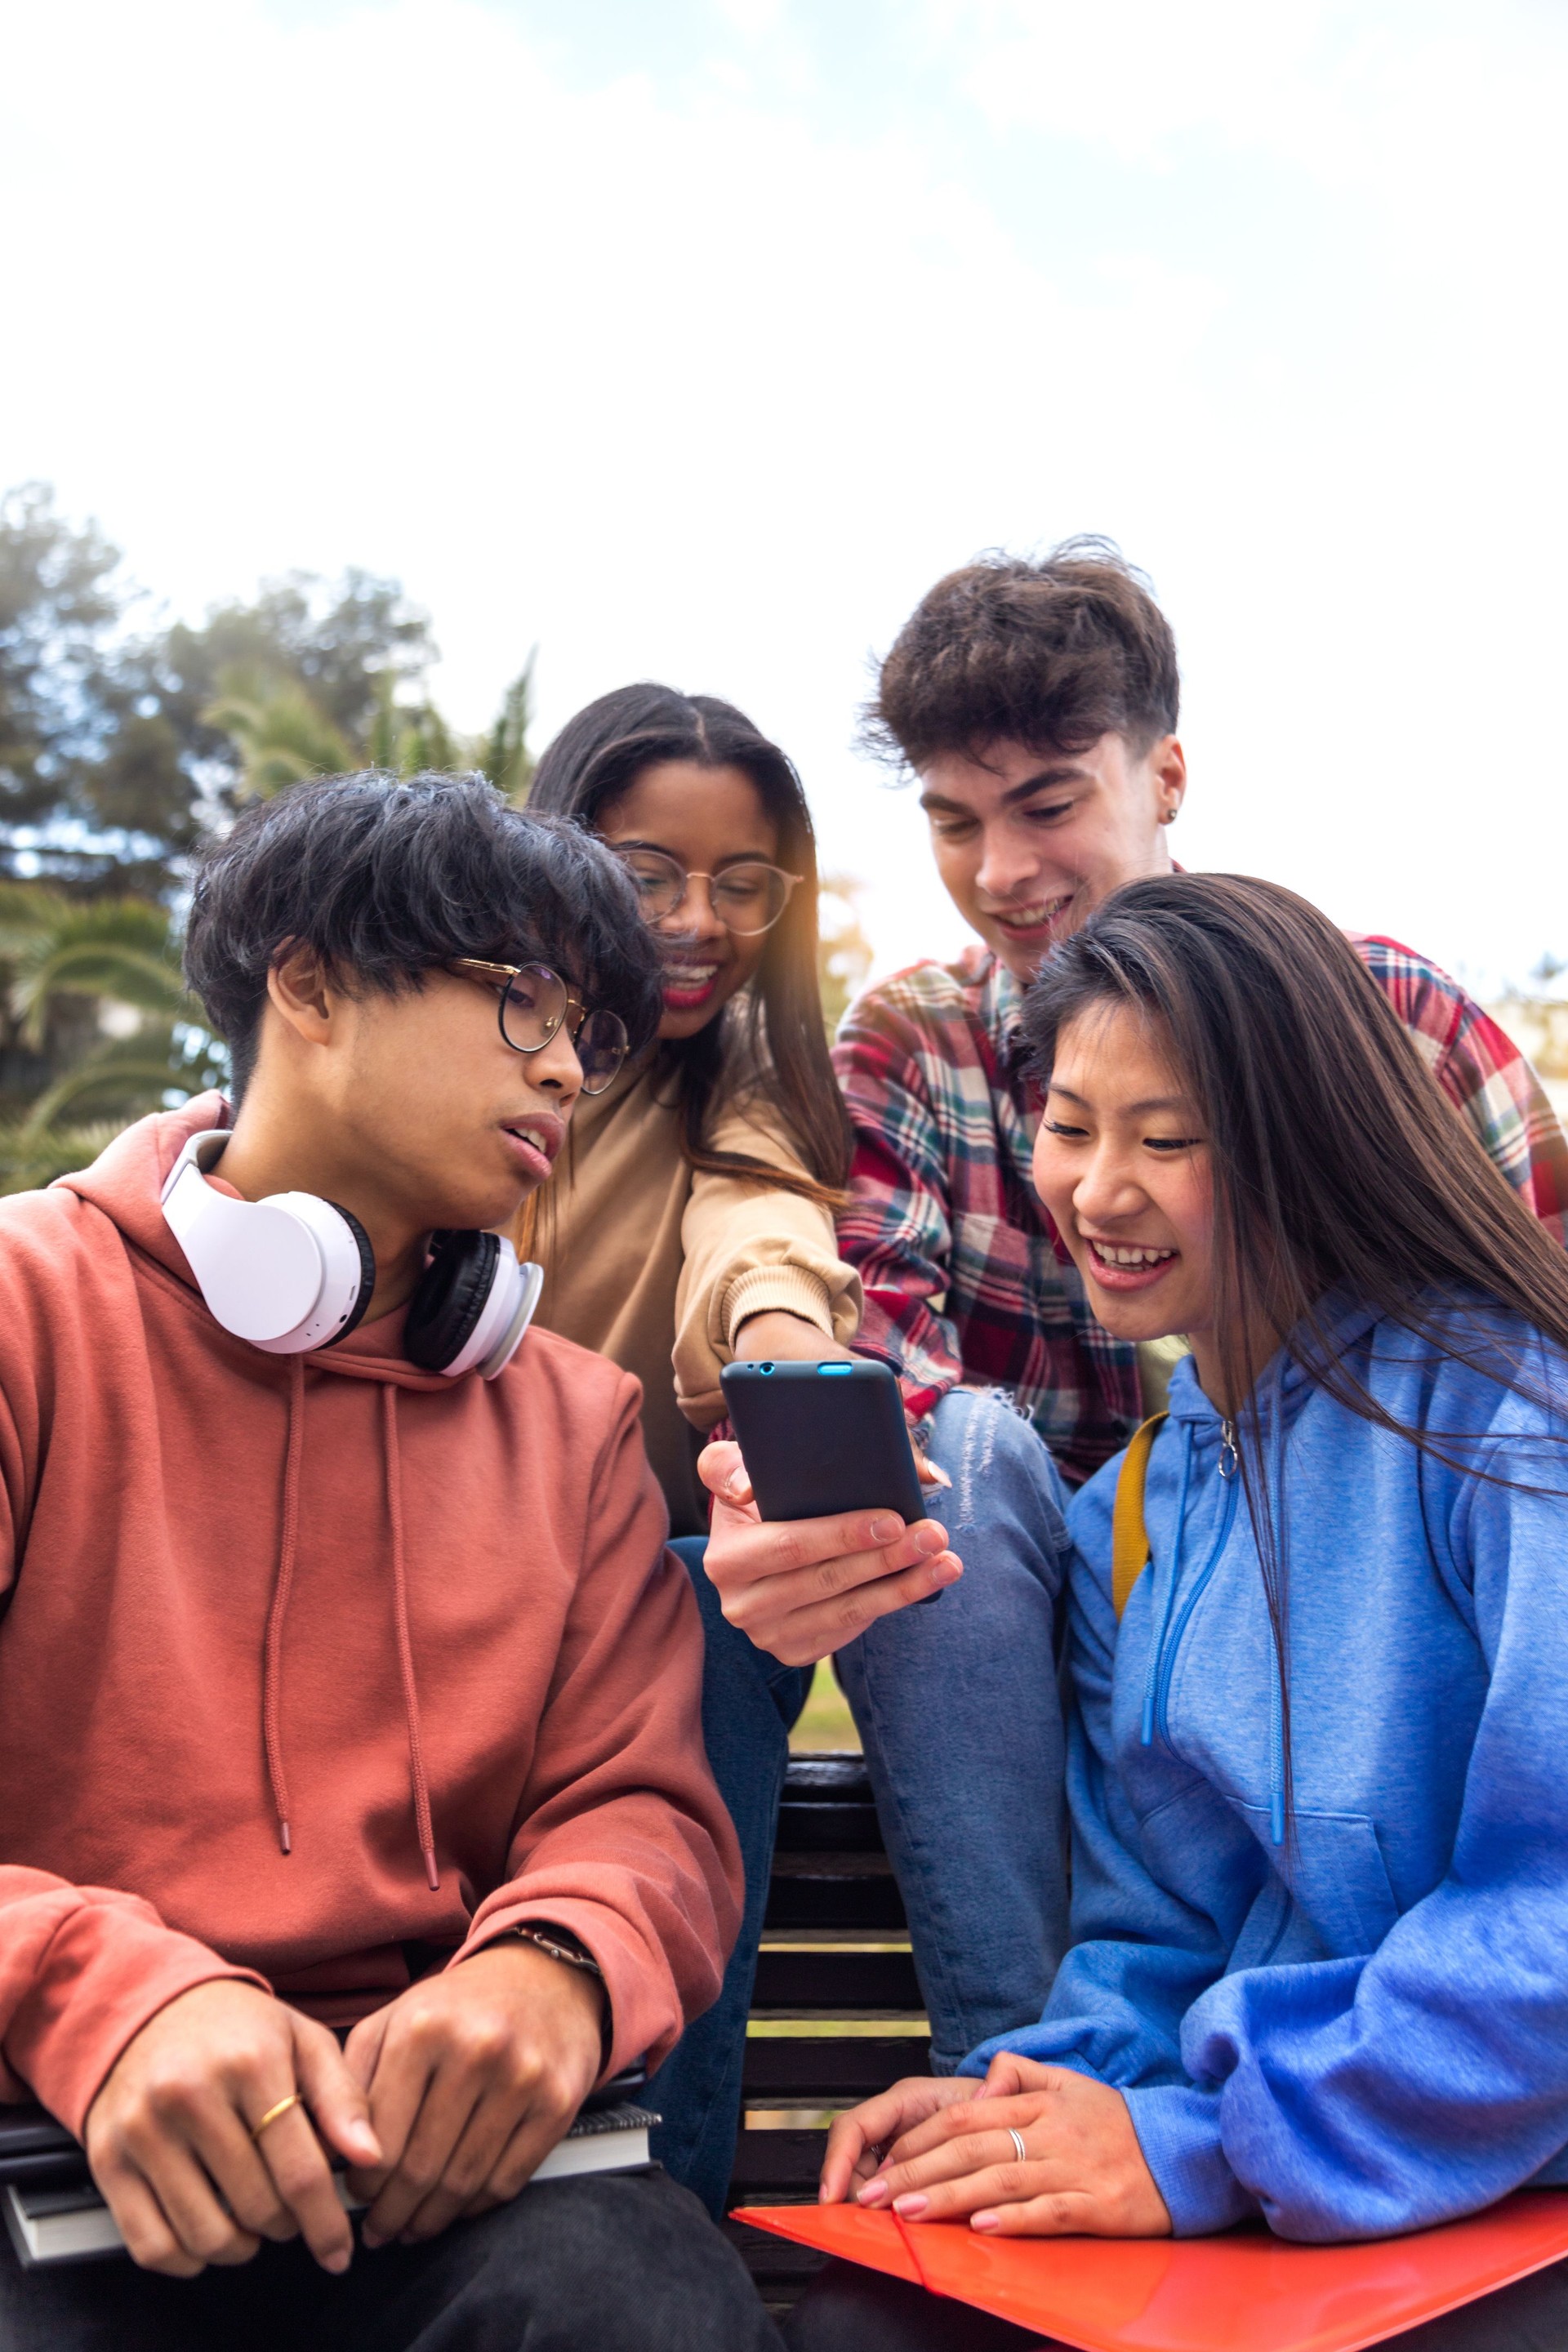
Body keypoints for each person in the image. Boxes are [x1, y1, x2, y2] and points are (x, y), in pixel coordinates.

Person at [705, 541, 1568, 2084]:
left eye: (1049, 804)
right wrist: (795, 1503)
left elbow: (1520, 1369)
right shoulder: (913, 1043)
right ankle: (1030, 2071)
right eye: (956, 824)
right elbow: (873, 1374)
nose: (1003, 869)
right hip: (1056, 1624)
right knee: (952, 1450)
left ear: (1164, 775)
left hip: (1387, 1656)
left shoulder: (1389, 1025)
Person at [0, 773, 780, 2351]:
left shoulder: (572, 1421)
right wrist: (98, 1995)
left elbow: (641, 1816)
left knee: (643, 2301)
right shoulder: (25, 1311)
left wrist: (560, 1970)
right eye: (520, 1002)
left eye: (589, 1033)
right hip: (52, 2148)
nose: (567, 1063)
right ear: (309, 984)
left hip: (450, 2194)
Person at [782, 872, 1568, 2350]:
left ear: (1304, 1144)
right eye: (1071, 1128)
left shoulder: (1510, 1417)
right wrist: (1025, 2101)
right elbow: (1158, 1927)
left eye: (1169, 1139)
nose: (1096, 1190)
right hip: (1271, 2173)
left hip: (1502, 2176)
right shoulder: (1135, 1511)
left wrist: (1207, 2147)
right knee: (863, 2319)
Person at [526, 686, 862, 2216]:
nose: (696, 921)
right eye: (648, 872)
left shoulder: (739, 1081)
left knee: (696, 1595)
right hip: (419, 1575)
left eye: (742, 884)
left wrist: (787, 1351)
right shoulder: (442, 1068)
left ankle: (664, 2200)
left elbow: (761, 1223)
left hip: (630, 1616)